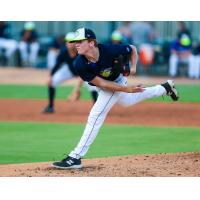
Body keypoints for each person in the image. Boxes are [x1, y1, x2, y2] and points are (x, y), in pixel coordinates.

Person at [52, 28, 179, 169]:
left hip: (117, 81)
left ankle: (75, 157)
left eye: (79, 41)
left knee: (95, 115)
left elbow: (132, 49)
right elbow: (102, 84)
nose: (75, 44)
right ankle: (165, 88)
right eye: (74, 42)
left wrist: (134, 67)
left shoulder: (109, 50)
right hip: (107, 84)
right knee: (127, 101)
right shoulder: (79, 63)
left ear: (91, 43)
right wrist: (127, 89)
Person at [43, 32, 98, 114]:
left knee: (93, 86)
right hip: (69, 71)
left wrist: (76, 90)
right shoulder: (64, 52)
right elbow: (57, 65)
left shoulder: (82, 53)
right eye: (67, 41)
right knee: (52, 82)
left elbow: (83, 72)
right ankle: (50, 107)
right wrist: (50, 76)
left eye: (71, 41)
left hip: (84, 73)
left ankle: (96, 110)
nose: (68, 43)